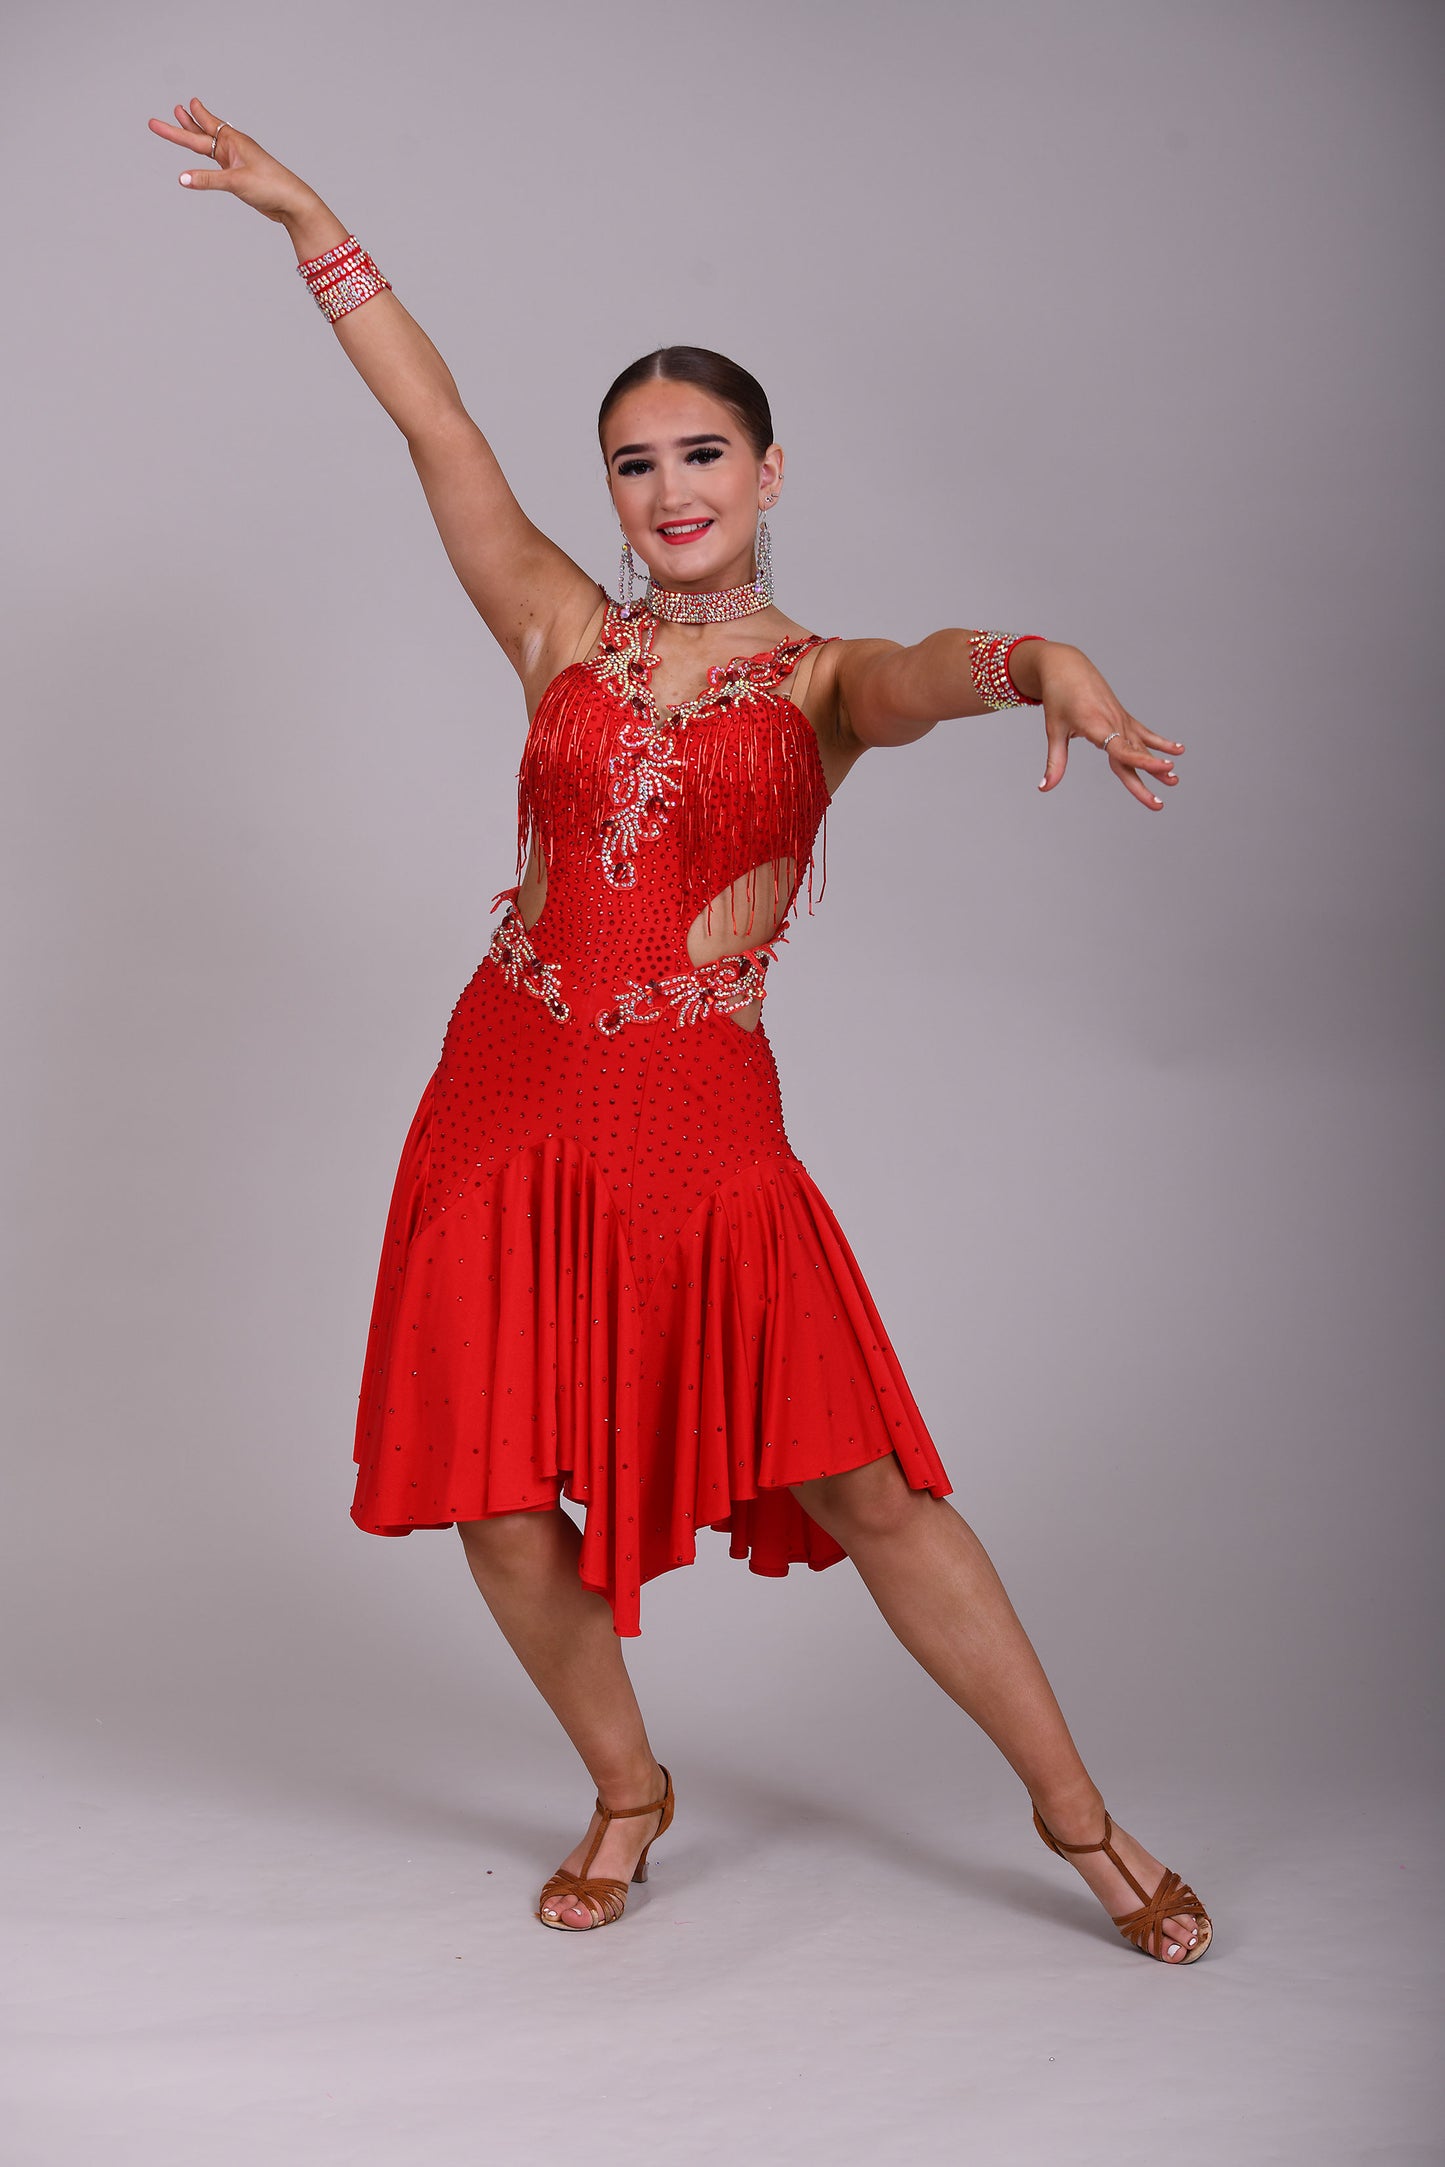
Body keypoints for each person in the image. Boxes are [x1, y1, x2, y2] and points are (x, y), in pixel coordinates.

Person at [148, 94, 1211, 1963]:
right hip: (505, 1086)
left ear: (769, 470)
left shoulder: (819, 685)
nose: (667, 490)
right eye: (633, 464)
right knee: (493, 1499)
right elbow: (437, 426)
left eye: (700, 452)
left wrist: (1038, 664)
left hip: (698, 1114)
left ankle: (1082, 1822)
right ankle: (628, 1790)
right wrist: (312, 223)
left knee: (864, 1482)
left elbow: (932, 672)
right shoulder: (557, 628)